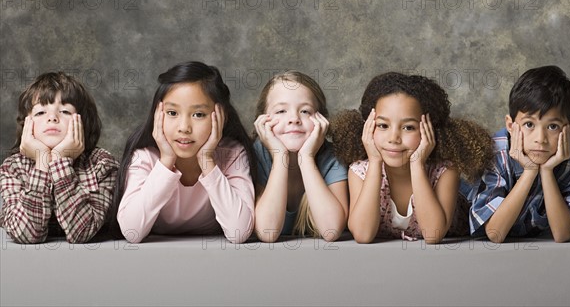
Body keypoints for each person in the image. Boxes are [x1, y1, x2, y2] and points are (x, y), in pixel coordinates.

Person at [331, 72, 493, 244]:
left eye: (408, 127)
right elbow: (363, 235)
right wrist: (375, 161)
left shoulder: (445, 171)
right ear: (368, 128)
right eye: (383, 125)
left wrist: (417, 164)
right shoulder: (359, 172)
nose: (393, 138)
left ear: (429, 130)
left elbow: (432, 235)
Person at [114, 61, 256, 243]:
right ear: (158, 114)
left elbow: (239, 231)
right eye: (172, 113)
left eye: (198, 115)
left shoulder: (232, 154)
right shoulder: (145, 157)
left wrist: (207, 161)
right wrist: (166, 161)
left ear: (221, 117)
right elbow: (131, 231)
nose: (184, 128)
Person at [469, 66, 570, 243]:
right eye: (529, 124)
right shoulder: (494, 152)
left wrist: (547, 172)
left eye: (552, 126)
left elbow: (562, 235)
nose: (540, 139)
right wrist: (529, 172)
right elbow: (495, 233)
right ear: (510, 125)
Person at [0, 72, 119, 243]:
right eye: (40, 112)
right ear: (26, 125)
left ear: (83, 122)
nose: (52, 117)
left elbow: (82, 232)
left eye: (64, 111)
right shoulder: (13, 167)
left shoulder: (102, 164)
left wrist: (60, 161)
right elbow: (26, 234)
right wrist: (42, 161)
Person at [253, 71, 348, 242]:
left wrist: (306, 157)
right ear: (262, 120)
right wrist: (279, 156)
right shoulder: (256, 155)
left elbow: (331, 230)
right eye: (281, 111)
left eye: (305, 111)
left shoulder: (333, 157)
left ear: (321, 120)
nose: (294, 119)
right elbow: (268, 232)